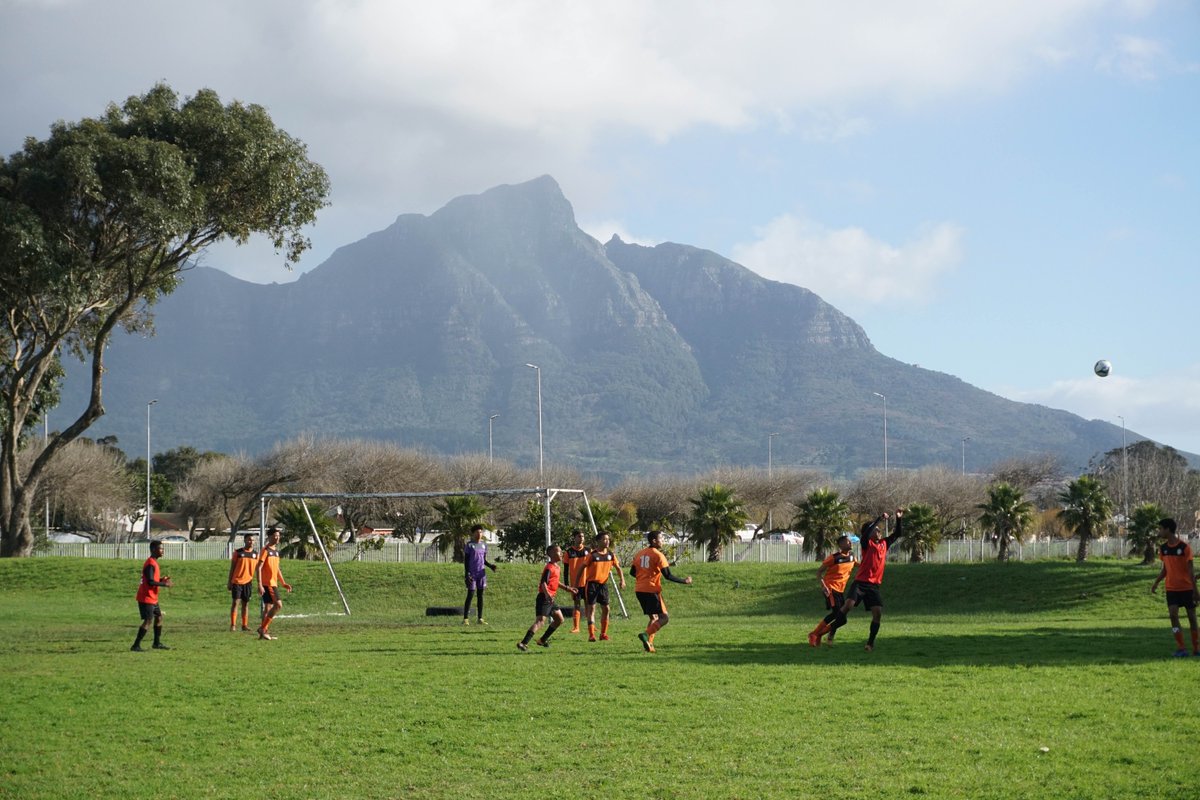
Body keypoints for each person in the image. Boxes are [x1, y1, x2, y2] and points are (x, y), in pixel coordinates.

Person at [824, 510, 902, 652]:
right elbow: (866, 534)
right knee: (847, 606)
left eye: (879, 531)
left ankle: (870, 643)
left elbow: (897, 534)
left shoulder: (884, 543)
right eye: (876, 530)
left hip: (874, 586)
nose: (879, 532)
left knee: (877, 613)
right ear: (870, 532)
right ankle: (832, 631)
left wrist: (898, 519)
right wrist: (878, 518)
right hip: (860, 583)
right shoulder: (867, 543)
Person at [629, 530, 692, 653]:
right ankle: (646, 634)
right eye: (661, 538)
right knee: (664, 618)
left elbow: (632, 572)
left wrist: (643, 577)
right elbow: (668, 575)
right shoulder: (658, 555)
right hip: (651, 589)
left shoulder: (639, 554)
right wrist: (685, 581)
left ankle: (649, 644)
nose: (663, 541)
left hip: (639, 590)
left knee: (654, 617)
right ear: (654, 541)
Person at [1150, 518, 1200, 657]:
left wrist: (1195, 591)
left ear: (1168, 529)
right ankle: (1181, 647)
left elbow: (1191, 571)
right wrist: (1156, 582)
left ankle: (1196, 648)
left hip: (1187, 588)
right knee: (1173, 616)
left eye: (1160, 529)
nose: (1159, 531)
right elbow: (1165, 570)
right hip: (1171, 589)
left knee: (1192, 618)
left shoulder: (1184, 548)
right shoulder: (1163, 549)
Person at [517, 544, 577, 651]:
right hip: (544, 598)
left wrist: (568, 588)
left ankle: (542, 640)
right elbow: (543, 583)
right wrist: (547, 595)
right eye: (559, 551)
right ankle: (523, 643)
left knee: (559, 619)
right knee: (540, 621)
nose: (562, 553)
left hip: (550, 599)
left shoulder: (557, 567)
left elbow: (555, 581)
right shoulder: (549, 567)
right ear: (552, 554)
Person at [806, 534, 857, 646]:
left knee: (841, 619)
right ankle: (815, 634)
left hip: (840, 591)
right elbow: (819, 572)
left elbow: (861, 566)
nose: (850, 543)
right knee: (838, 614)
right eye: (848, 541)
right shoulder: (834, 558)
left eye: (850, 541)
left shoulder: (852, 557)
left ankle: (817, 634)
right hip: (831, 588)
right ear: (841, 544)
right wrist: (823, 586)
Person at [582, 531, 625, 641]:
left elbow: (618, 568)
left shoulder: (610, 555)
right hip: (591, 584)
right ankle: (591, 635)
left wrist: (622, 580)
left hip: (603, 585)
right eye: (604, 539)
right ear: (598, 541)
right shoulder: (592, 555)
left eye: (608, 539)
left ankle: (603, 634)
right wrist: (578, 583)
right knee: (592, 609)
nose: (607, 541)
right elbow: (582, 568)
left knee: (606, 608)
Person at [131, 540, 174, 651]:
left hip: (152, 597)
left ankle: (156, 643)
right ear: (153, 550)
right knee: (148, 620)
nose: (162, 550)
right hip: (146, 597)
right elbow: (150, 582)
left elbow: (152, 580)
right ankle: (136, 645)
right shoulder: (150, 563)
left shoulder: (154, 562)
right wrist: (164, 584)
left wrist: (161, 580)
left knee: (159, 618)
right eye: (160, 548)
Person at [256, 527, 292, 640]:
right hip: (268, 584)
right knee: (278, 605)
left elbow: (277, 569)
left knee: (268, 608)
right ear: (270, 536)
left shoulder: (275, 551)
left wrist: (283, 583)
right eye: (275, 535)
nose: (277, 538)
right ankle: (263, 628)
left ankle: (263, 633)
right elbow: (258, 567)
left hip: (273, 583)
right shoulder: (265, 550)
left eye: (278, 536)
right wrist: (260, 584)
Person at [462, 524, 498, 625]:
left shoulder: (484, 545)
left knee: (480, 595)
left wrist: (491, 566)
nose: (479, 534)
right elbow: (466, 561)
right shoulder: (469, 545)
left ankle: (480, 618)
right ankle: (465, 618)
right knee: (470, 594)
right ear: (473, 533)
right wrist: (467, 574)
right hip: (472, 573)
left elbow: (483, 560)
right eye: (477, 532)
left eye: (481, 532)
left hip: (481, 573)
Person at [227, 533, 258, 631]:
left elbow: (257, 569)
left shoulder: (255, 554)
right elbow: (232, 567)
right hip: (237, 581)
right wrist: (229, 581)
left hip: (248, 582)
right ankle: (233, 624)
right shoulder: (238, 553)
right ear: (244, 540)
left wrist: (259, 582)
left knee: (246, 603)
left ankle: (244, 625)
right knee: (236, 602)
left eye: (253, 540)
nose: (251, 542)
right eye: (249, 539)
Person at [563, 529, 590, 633]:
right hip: (575, 584)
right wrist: (566, 585)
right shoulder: (569, 552)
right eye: (579, 536)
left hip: (587, 582)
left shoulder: (588, 550)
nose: (581, 538)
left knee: (589, 604)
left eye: (582, 536)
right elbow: (565, 570)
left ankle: (591, 625)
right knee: (577, 604)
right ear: (574, 538)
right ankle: (576, 627)